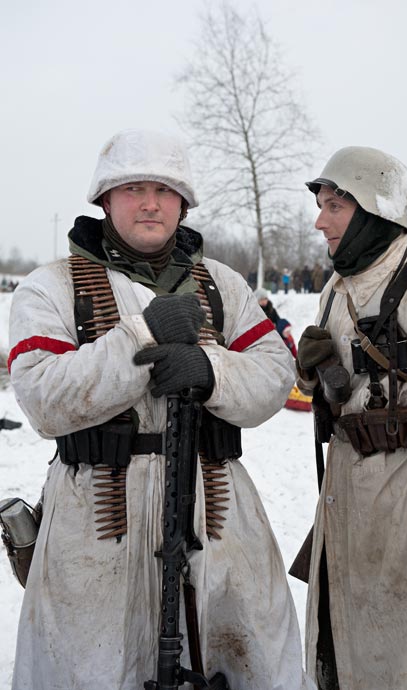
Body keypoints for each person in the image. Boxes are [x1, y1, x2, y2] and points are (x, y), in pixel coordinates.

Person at [8, 129, 304, 690]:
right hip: (97, 522)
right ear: (104, 200)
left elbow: (274, 374)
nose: (150, 203)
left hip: (217, 515)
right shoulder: (51, 287)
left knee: (243, 655)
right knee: (92, 666)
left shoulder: (223, 285)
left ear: (183, 202)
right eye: (133, 188)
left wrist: (211, 370)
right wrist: (140, 338)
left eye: (165, 190)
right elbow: (44, 397)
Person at [296, 145, 407, 689]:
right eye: (320, 205)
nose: (320, 221)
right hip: (348, 515)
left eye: (334, 206)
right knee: (345, 660)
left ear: (373, 209)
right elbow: (340, 402)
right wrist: (318, 379)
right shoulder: (335, 292)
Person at [254, 287, 297, 357]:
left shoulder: (271, 310)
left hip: (273, 333)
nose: (264, 301)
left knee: (288, 338)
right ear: (257, 300)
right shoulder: (256, 311)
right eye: (261, 299)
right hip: (261, 337)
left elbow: (278, 321)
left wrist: (281, 328)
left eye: (265, 299)